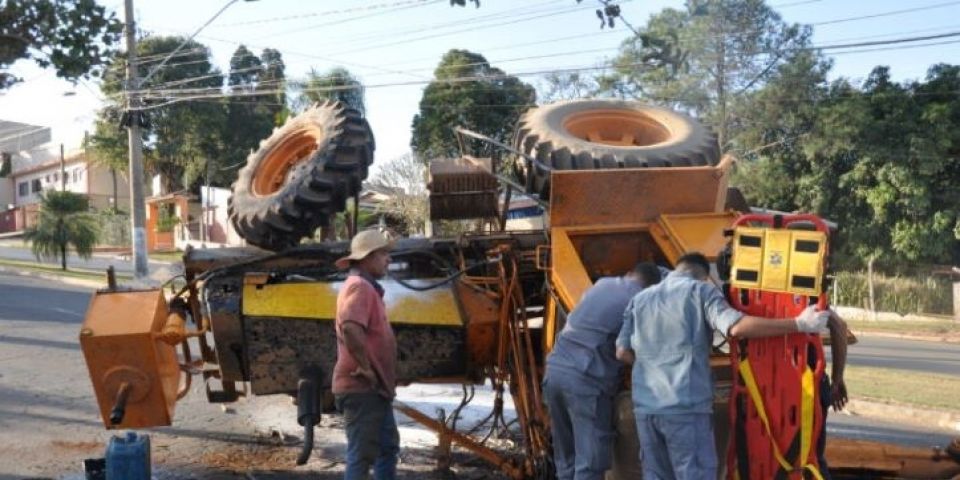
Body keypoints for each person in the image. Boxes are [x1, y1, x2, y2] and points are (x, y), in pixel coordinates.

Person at [616, 252, 831, 480]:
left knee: (655, 475)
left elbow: (621, 351)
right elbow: (735, 327)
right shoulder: (699, 291)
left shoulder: (639, 299)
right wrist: (798, 323)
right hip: (685, 407)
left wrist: (653, 366)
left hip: (646, 408)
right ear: (703, 275)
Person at [542, 262, 663, 480]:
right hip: (585, 382)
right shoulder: (641, 301)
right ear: (652, 287)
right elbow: (626, 352)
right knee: (590, 463)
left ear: (629, 273)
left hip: (554, 372)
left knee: (566, 458)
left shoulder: (603, 284)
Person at [332, 229, 399, 480]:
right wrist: (366, 367)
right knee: (362, 456)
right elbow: (350, 327)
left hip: (374, 388)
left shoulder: (366, 287)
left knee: (386, 448)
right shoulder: (359, 287)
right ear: (367, 257)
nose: (388, 259)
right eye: (383, 254)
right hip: (362, 387)